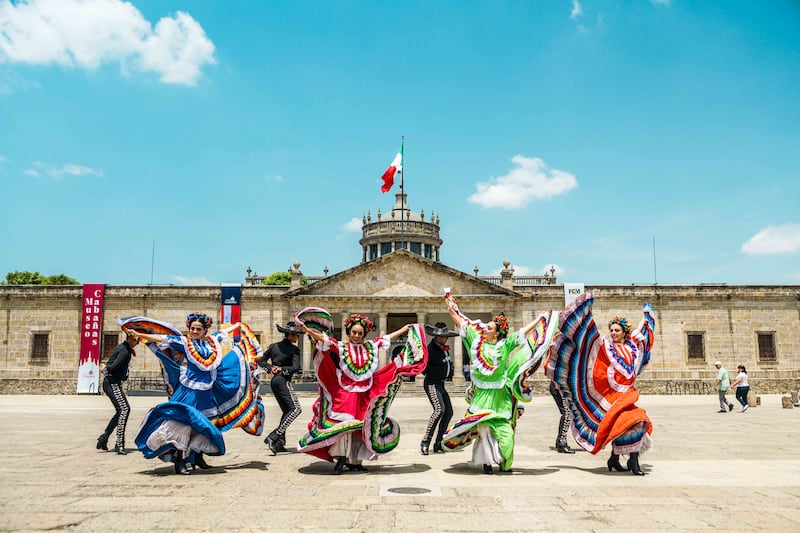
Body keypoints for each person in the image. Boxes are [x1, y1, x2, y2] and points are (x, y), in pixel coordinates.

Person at [122, 312, 265, 475]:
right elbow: (163, 339)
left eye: (198, 329)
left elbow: (224, 333)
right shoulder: (184, 342)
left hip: (207, 391)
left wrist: (238, 325)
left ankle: (197, 457)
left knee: (204, 424)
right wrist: (139, 335)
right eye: (192, 328)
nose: (195, 331)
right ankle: (180, 461)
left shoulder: (212, 342)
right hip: (189, 390)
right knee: (184, 423)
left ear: (205, 331)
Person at [295, 307, 427, 474]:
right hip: (345, 392)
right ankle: (341, 458)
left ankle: (354, 461)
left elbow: (385, 339)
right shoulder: (341, 346)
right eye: (354, 332)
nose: (356, 336)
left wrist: (403, 329)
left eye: (360, 333)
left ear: (364, 334)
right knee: (344, 424)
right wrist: (307, 330)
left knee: (361, 425)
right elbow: (324, 339)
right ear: (349, 332)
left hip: (365, 392)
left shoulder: (370, 346)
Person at [441, 292, 558, 474]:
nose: (484, 329)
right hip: (482, 396)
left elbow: (523, 332)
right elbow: (461, 321)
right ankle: (487, 463)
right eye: (485, 327)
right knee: (485, 430)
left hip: (501, 396)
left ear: (496, 333)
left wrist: (540, 318)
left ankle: (505, 462)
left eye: (488, 328)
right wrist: (450, 307)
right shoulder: (475, 342)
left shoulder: (505, 344)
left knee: (506, 433)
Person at [546, 291, 655, 476]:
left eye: (617, 330)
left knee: (635, 422)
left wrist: (646, 316)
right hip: (609, 396)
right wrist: (584, 312)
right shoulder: (605, 346)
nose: (613, 333)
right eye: (611, 330)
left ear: (624, 332)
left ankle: (618, 459)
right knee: (629, 423)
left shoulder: (632, 347)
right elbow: (590, 341)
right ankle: (631, 461)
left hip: (626, 395)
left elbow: (641, 333)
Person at [254, 321, 303, 455]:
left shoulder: (273, 346)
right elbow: (296, 368)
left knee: (287, 410)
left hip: (274, 381)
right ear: (291, 334)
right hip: (283, 380)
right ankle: (274, 436)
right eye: (296, 335)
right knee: (295, 409)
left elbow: (260, 360)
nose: (297, 337)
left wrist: (270, 368)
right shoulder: (294, 350)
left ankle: (279, 443)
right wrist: (282, 369)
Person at [96, 332, 138, 454]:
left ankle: (104, 438)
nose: (137, 344)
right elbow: (113, 367)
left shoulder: (123, 348)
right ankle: (119, 443)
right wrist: (105, 368)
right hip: (111, 383)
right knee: (125, 409)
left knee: (121, 410)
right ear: (130, 339)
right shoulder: (125, 351)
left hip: (112, 382)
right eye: (136, 341)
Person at [419, 322, 457, 455]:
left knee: (448, 412)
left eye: (446, 336)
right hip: (432, 383)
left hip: (441, 384)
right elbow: (423, 368)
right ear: (436, 337)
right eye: (443, 337)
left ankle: (439, 442)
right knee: (439, 410)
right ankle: (425, 441)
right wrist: (435, 371)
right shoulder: (430, 349)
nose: (446, 339)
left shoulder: (442, 348)